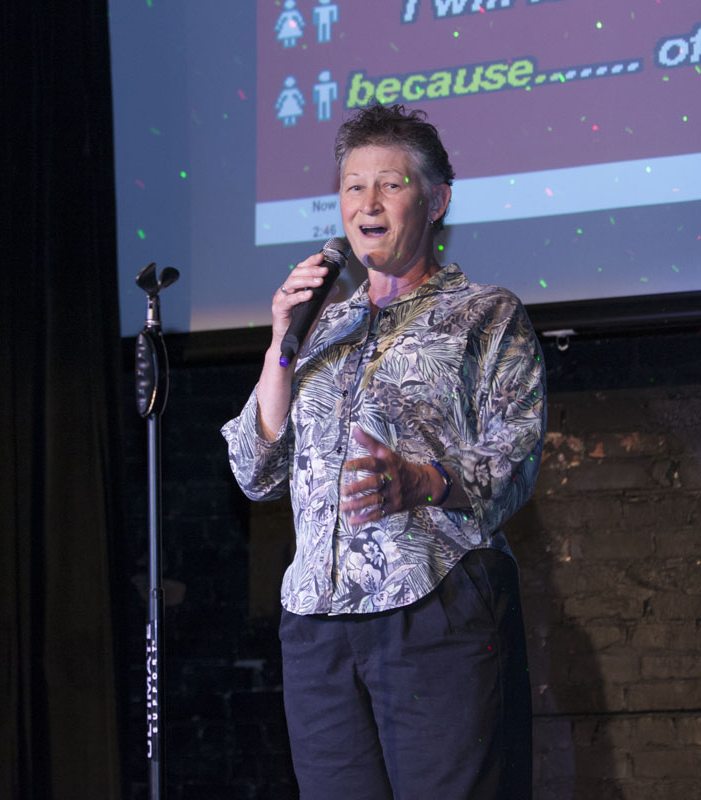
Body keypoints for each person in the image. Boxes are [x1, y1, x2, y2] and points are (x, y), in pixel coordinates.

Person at [221, 104, 545, 798]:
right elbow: (253, 470)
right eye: (352, 186)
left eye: (391, 184)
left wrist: (422, 481)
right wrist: (283, 341)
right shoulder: (319, 328)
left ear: (436, 201)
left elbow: (515, 460)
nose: (368, 202)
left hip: (434, 601)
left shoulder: (484, 314)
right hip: (318, 621)